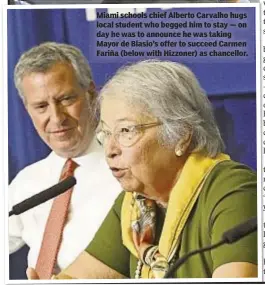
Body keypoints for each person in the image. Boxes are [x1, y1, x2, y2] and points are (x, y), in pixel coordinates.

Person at [28, 60, 257, 279]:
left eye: (126, 131)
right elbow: (78, 277)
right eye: (106, 134)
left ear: (181, 136)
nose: (110, 150)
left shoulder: (234, 191)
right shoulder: (135, 206)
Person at [8, 42, 121, 279]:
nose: (56, 118)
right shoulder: (26, 181)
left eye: (66, 99)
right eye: (41, 106)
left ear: (91, 92)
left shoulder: (127, 171)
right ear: (26, 109)